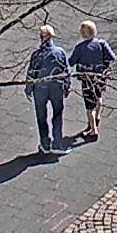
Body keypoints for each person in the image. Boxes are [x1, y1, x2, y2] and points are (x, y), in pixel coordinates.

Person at [24, 25, 71, 155]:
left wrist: (28, 89)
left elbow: (31, 73)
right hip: (56, 88)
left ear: (41, 38)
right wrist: (67, 87)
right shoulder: (60, 52)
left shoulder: (37, 55)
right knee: (57, 115)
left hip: (40, 89)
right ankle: (57, 143)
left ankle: (45, 143)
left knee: (41, 116)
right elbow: (66, 71)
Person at [70, 20, 117, 141]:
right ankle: (98, 116)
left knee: (89, 105)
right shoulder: (102, 44)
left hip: (87, 79)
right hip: (100, 77)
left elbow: (71, 62)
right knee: (99, 97)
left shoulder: (80, 48)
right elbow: (112, 57)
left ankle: (93, 130)